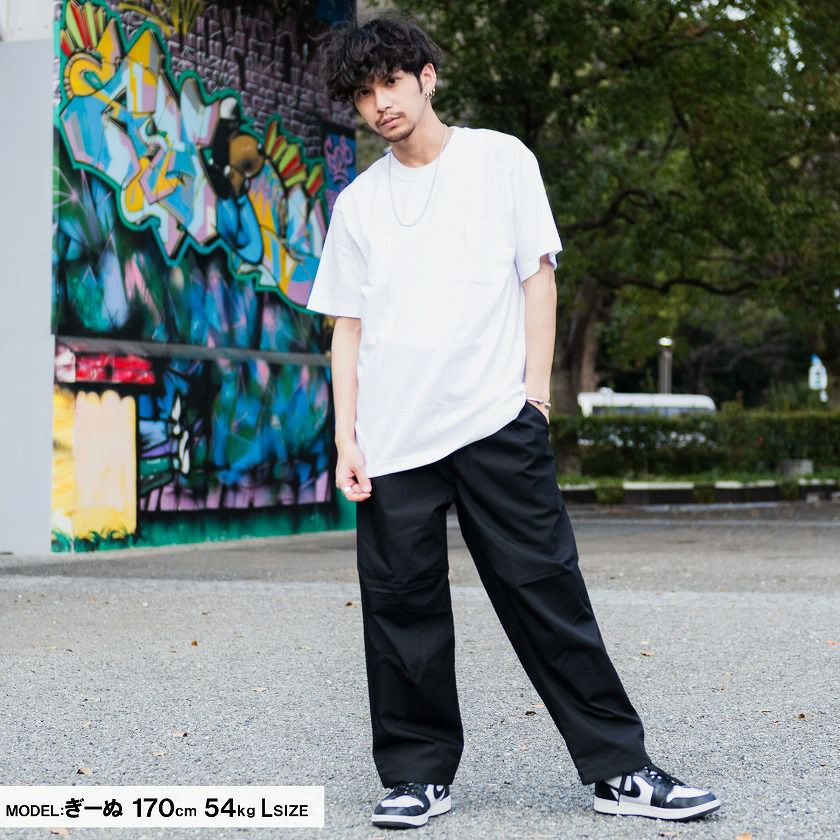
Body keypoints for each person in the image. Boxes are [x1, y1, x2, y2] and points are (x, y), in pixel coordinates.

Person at [306, 13, 721, 830]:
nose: (380, 103)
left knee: (547, 595)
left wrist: (535, 397)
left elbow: (538, 277)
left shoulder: (500, 160)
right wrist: (346, 437)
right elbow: (345, 327)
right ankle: (417, 775)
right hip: (392, 442)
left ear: (427, 77)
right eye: (363, 94)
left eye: (391, 82)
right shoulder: (358, 205)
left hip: (497, 423)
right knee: (401, 611)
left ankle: (620, 770)